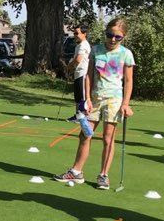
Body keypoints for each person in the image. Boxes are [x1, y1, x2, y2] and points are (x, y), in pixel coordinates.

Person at [55, 17, 134, 190]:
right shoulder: (96, 50)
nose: (112, 39)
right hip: (95, 100)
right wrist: (88, 98)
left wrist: (126, 104)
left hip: (114, 101)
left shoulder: (126, 54)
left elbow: (128, 81)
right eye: (109, 35)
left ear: (123, 37)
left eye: (117, 37)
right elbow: (89, 75)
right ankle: (76, 172)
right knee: (85, 134)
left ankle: (103, 175)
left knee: (108, 138)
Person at [65, 24, 91, 124]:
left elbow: (78, 59)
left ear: (84, 34)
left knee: (82, 97)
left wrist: (69, 67)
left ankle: (83, 116)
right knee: (78, 96)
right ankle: (78, 115)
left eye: (77, 33)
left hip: (83, 73)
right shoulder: (79, 45)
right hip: (78, 73)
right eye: (74, 33)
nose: (75, 35)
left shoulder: (84, 44)